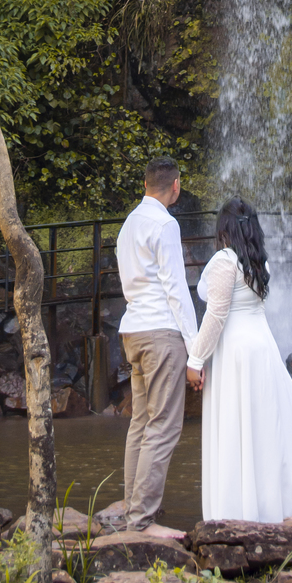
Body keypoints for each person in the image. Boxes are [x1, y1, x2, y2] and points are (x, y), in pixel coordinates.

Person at [186, 196, 292, 522]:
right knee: (265, 427)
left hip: (236, 351)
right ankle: (268, 506)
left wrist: (195, 360)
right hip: (262, 347)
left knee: (238, 426)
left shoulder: (224, 261)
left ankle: (237, 511)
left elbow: (216, 314)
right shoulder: (259, 261)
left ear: (224, 229)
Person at [115, 156, 198, 538]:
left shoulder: (129, 224)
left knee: (141, 423)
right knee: (163, 426)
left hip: (132, 330)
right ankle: (142, 520)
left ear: (146, 184)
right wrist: (195, 349)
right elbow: (176, 288)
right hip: (161, 331)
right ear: (175, 186)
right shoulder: (165, 224)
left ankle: (133, 509)